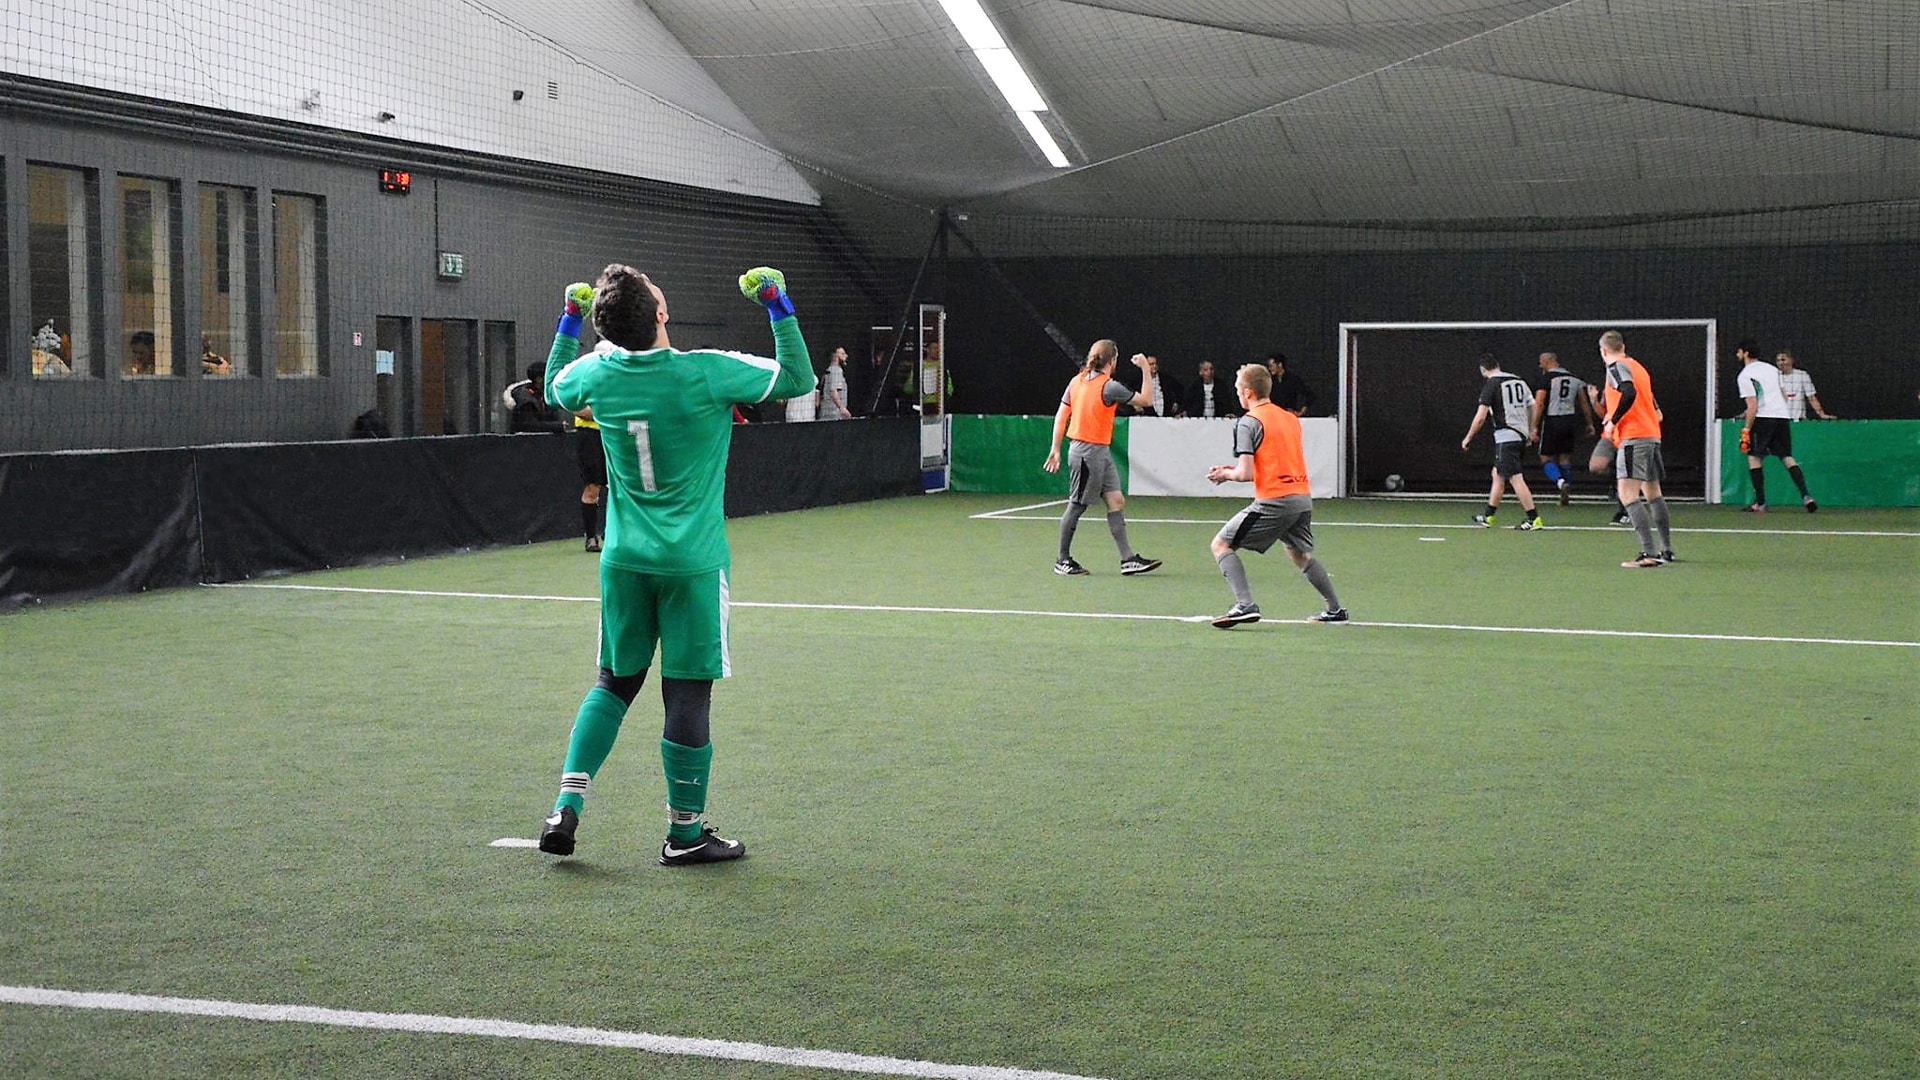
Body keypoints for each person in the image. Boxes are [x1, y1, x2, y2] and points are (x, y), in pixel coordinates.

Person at [535, 264, 815, 864]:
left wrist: (568, 317)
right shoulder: (705, 370)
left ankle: (567, 806)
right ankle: (684, 836)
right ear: (661, 316)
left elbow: (554, 384)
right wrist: (776, 301)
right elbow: (798, 378)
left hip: (623, 560)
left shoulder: (596, 374)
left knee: (614, 682)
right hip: (692, 564)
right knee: (686, 694)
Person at [1206, 363, 1348, 627]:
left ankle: (1245, 605)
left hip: (1275, 499)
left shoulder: (1248, 422)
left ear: (1247, 393)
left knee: (1221, 545)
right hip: (1302, 497)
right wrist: (1231, 469)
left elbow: (1246, 473)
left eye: (1238, 389)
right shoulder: (1289, 418)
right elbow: (1273, 459)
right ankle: (1335, 609)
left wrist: (1225, 474)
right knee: (1298, 554)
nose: (1237, 394)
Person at [1041, 340, 1163, 577]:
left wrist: (1056, 448)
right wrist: (1145, 369)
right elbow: (1147, 401)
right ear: (1112, 361)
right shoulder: (1108, 386)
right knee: (1076, 505)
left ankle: (1128, 559)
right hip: (1087, 452)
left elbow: (1060, 415)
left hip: (1099, 452)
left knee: (1116, 500)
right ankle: (1062, 560)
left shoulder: (1077, 381)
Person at [1599, 330, 1676, 566]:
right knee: (1653, 493)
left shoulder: (1615, 368)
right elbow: (1658, 413)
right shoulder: (1639, 368)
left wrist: (1613, 420)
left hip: (1634, 437)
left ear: (1604, 351)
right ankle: (1666, 550)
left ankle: (1648, 553)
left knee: (1627, 494)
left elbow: (1628, 391)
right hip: (1651, 434)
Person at [1460, 353, 1543, 530]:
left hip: (1506, 437)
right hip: (1519, 435)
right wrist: (1530, 429)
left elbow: (1481, 417)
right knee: (1497, 474)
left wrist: (1468, 437)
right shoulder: (1519, 381)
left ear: (1483, 370)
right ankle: (1489, 516)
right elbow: (1533, 406)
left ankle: (1533, 518)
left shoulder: (1492, 384)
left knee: (1515, 478)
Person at [1735, 339, 1817, 513]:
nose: (1737, 355)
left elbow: (1753, 406)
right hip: (1781, 415)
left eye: (1739, 352)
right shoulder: (1772, 369)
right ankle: (1806, 496)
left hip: (1763, 417)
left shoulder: (1745, 375)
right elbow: (1784, 396)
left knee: (1754, 457)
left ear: (1746, 353)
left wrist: (1746, 430)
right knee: (1786, 456)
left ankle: (1761, 503)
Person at [1530, 351, 1595, 506]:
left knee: (1545, 457)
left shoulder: (1546, 379)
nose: (1540, 366)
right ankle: (1567, 489)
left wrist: (1533, 427)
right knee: (1565, 458)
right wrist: (1589, 423)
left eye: (1541, 362)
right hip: (1569, 420)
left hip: (1552, 420)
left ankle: (1560, 483)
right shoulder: (1575, 379)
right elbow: (1584, 403)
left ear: (1546, 362)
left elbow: (1539, 403)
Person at [569, 402, 607, 551]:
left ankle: (611, 533)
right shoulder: (584, 381)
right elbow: (577, 409)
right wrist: (604, 412)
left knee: (619, 486)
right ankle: (591, 537)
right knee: (592, 487)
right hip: (589, 436)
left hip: (613, 433)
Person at [503, 362, 566, 433]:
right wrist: (557, 426)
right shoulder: (525, 399)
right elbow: (530, 426)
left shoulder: (544, 396)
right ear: (539, 379)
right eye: (549, 376)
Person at [1774, 350, 1835, 421]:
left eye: (1783, 360)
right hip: (1779, 420)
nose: (1780, 363)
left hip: (1797, 420)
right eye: (1778, 360)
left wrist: (1821, 414)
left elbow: (1811, 397)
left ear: (1791, 360)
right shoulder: (1774, 376)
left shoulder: (1802, 375)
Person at [818, 346, 851, 420]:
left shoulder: (828, 371)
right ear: (836, 356)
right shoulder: (836, 371)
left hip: (826, 412)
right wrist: (842, 408)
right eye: (842, 354)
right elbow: (833, 391)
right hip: (834, 414)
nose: (846, 356)